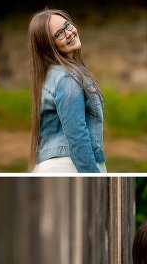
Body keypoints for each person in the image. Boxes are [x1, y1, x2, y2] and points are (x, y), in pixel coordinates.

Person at [27, 9, 105, 173]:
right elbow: (78, 138)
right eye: (59, 34)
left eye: (67, 25)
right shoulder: (66, 79)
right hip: (69, 166)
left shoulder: (54, 74)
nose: (69, 33)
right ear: (48, 46)